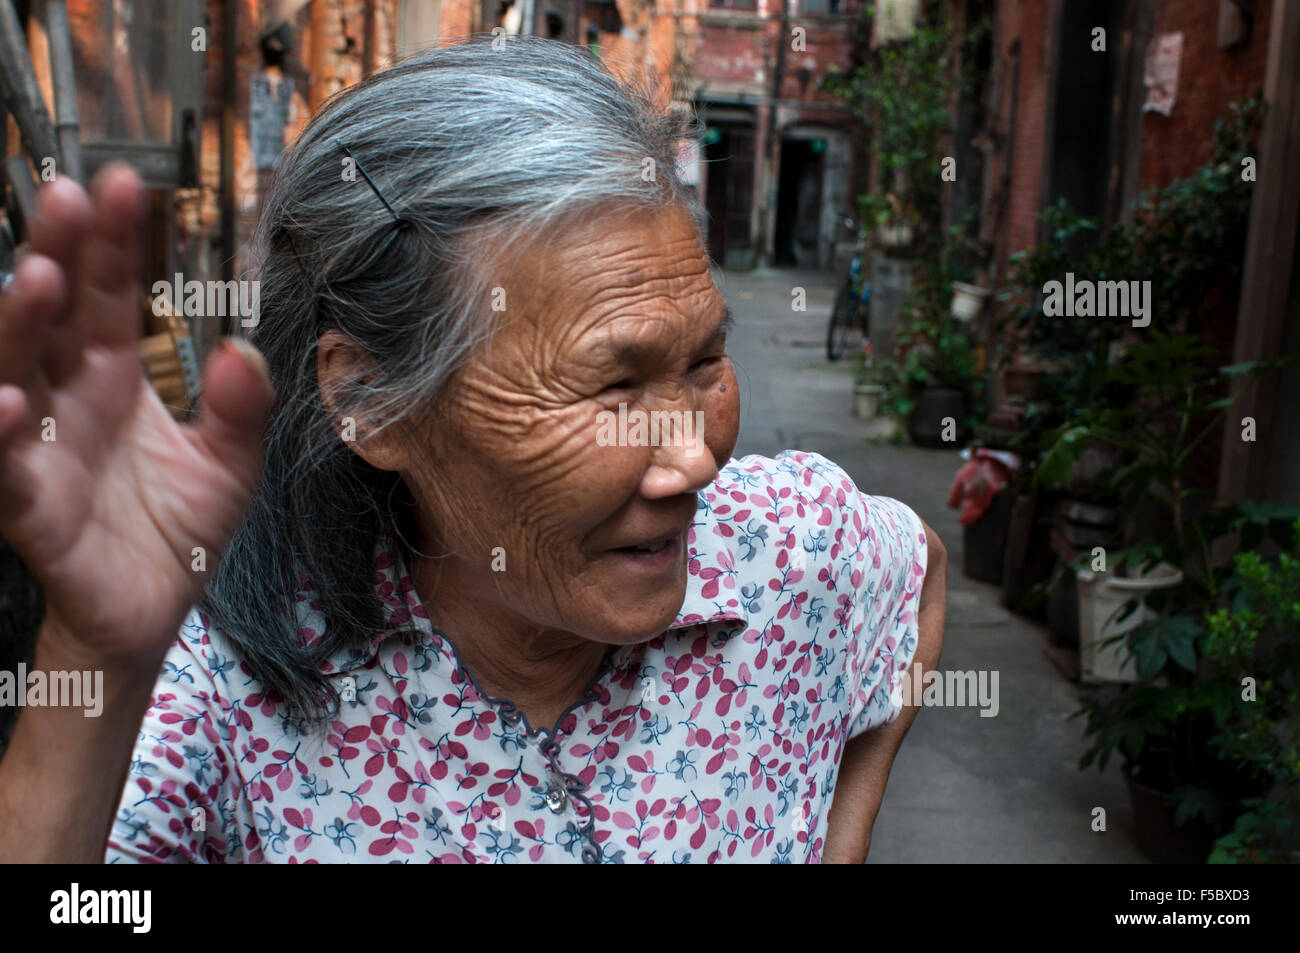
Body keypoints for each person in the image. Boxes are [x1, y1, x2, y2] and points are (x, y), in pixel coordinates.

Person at [0, 36, 945, 863]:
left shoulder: (789, 550)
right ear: (370, 400)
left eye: (705, 359)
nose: (694, 462)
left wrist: (840, 833)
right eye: (611, 386)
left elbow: (916, 568)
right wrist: (93, 652)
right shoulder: (227, 700)